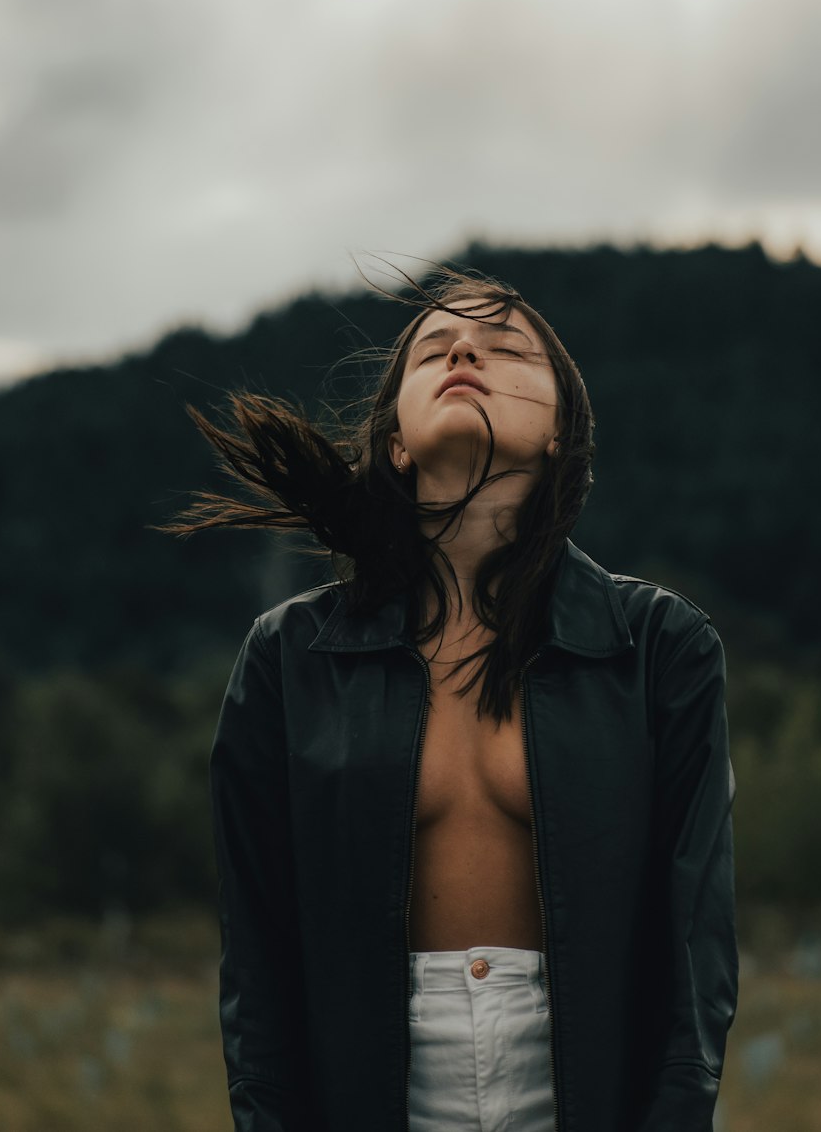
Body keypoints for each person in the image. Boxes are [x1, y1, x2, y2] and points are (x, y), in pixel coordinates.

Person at [173, 268, 738, 1131]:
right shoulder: (287, 660)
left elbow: (694, 968)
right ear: (397, 441)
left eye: (507, 346)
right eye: (434, 347)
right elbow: (258, 975)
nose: (465, 348)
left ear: (560, 435)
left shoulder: (661, 649)